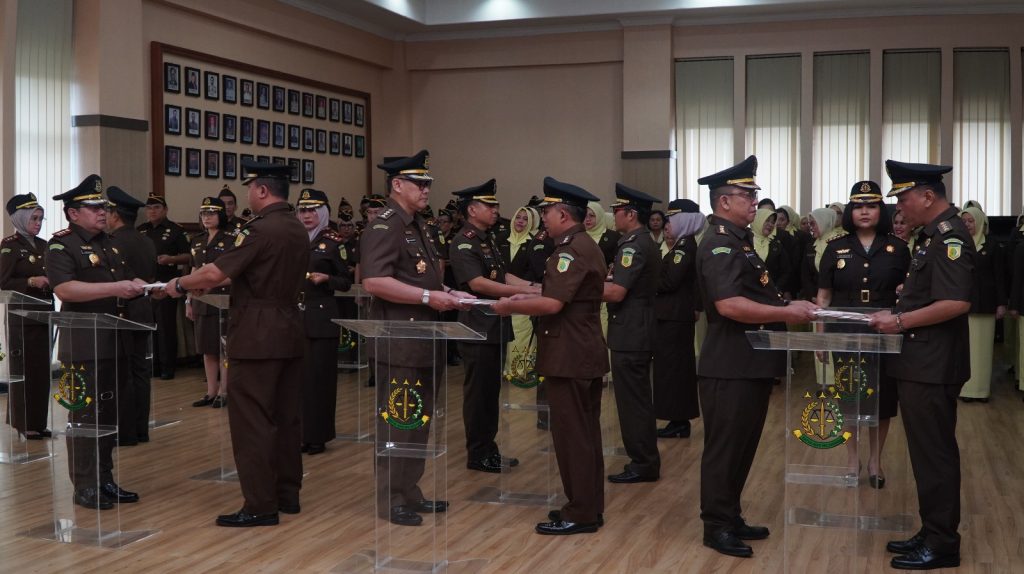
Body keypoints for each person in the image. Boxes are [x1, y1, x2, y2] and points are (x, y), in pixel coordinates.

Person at [163, 160, 309, 527]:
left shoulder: (258, 229)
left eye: (250, 188)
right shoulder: (294, 225)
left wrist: (179, 285)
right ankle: (287, 495)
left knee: (252, 421)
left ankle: (260, 504)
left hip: (257, 333)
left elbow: (216, 271)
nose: (248, 195)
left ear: (262, 190)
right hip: (290, 328)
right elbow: (259, 272)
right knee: (286, 417)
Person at [694, 156, 818, 558]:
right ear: (724, 201)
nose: (754, 203)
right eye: (747, 196)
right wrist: (786, 312)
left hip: (749, 362)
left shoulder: (738, 241)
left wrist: (786, 305)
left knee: (742, 447)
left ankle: (730, 515)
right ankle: (716, 525)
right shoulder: (719, 243)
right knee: (725, 449)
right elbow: (729, 304)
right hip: (730, 364)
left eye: (753, 196)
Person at [868, 160, 974, 570]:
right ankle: (932, 530)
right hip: (921, 362)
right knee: (926, 455)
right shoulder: (932, 236)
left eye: (903, 198)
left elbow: (956, 302)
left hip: (933, 365)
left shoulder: (950, 236)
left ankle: (943, 542)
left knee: (935, 455)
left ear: (928, 196)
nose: (899, 208)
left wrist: (899, 321)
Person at [359, 150, 471, 527]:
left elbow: (421, 276)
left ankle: (409, 490)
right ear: (397, 185)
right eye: (418, 183)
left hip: (424, 339)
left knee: (418, 420)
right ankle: (390, 497)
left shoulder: (417, 224)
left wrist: (449, 292)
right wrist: (427, 297)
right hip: (399, 341)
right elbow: (374, 281)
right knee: (398, 421)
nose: (426, 189)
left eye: (427, 184)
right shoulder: (385, 225)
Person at [493, 176, 608, 535]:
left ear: (563, 214)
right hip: (581, 350)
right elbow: (556, 292)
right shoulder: (584, 244)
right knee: (584, 435)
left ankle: (581, 512)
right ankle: (588, 506)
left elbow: (554, 303)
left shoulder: (569, 250)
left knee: (573, 437)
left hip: (570, 354)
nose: (543, 217)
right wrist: (523, 297)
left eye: (547, 211)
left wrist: (508, 307)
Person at [47, 175, 147, 509]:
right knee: (84, 417)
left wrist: (143, 287)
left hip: (113, 341)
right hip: (84, 346)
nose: (102, 212)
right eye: (93, 207)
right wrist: (116, 288)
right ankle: (85, 485)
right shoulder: (61, 245)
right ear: (73, 213)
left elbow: (120, 280)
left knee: (109, 416)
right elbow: (65, 289)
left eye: (103, 207)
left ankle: (105, 479)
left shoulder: (109, 243)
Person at [816, 181, 910, 488]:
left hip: (885, 332)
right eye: (858, 206)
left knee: (883, 399)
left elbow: (908, 295)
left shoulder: (898, 248)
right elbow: (824, 297)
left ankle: (875, 461)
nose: (865, 212)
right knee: (850, 397)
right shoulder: (835, 248)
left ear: (881, 210)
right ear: (850, 212)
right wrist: (820, 336)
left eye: (871, 206)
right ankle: (852, 458)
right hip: (845, 331)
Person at [448, 179, 538, 473]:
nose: (496, 209)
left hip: (494, 326)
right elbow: (478, 283)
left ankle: (489, 449)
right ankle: (478, 454)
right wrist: (520, 292)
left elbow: (502, 275)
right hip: (477, 328)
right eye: (489, 205)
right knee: (479, 396)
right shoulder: (464, 241)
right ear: (472, 210)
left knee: (490, 393)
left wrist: (533, 287)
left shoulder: (487, 238)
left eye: (496, 205)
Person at [602, 183, 662, 484]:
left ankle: (643, 463)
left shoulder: (632, 245)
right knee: (637, 399)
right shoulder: (642, 241)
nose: (614, 215)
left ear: (630, 214)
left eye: (617, 210)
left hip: (631, 332)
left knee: (632, 402)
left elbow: (616, 292)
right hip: (637, 329)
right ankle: (644, 459)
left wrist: (578, 288)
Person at [295, 188, 353, 454]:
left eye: (312, 210)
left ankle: (318, 435)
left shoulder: (333, 242)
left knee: (319, 380)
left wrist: (327, 278)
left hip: (321, 318)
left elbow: (345, 282)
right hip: (296, 317)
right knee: (298, 381)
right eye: (302, 210)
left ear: (323, 212)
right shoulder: (294, 239)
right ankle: (300, 434)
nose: (307, 215)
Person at [105, 186, 157, 445]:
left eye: (107, 211)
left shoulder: (112, 242)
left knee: (122, 372)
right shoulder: (146, 240)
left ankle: (125, 432)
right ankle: (140, 429)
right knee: (140, 372)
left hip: (121, 311)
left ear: (115, 215)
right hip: (143, 309)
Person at [0, 193, 52, 440]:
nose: (38, 223)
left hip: (43, 313)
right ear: (20, 218)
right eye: (33, 218)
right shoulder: (9, 246)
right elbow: (3, 282)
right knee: (24, 371)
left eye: (41, 218)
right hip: (21, 317)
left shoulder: (44, 245)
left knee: (41, 371)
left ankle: (39, 421)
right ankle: (23, 423)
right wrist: (30, 281)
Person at [653, 199, 703, 438]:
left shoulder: (683, 248)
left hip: (674, 318)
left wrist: (645, 280)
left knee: (674, 371)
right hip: (673, 316)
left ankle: (679, 422)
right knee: (673, 370)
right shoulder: (684, 245)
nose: (667, 224)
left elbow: (669, 281)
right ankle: (677, 420)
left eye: (671, 219)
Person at [186, 197, 233, 409]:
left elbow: (233, 271)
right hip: (202, 300)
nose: (207, 217)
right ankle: (210, 391)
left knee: (224, 348)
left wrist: (209, 284)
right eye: (204, 213)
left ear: (221, 215)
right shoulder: (197, 240)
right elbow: (194, 271)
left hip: (223, 299)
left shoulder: (231, 239)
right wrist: (188, 299)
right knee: (207, 348)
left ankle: (224, 391)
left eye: (211, 213)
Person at [138, 194, 189, 380]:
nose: (152, 211)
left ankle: (168, 367)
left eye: (157, 207)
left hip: (167, 285)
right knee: (147, 326)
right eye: (149, 208)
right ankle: (153, 366)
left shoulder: (176, 230)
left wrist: (171, 259)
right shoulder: (141, 230)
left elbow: (189, 256)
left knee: (166, 327)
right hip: (145, 285)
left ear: (165, 210)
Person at [958, 204, 1004, 402]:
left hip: (986, 305)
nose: (968, 224)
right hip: (962, 305)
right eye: (964, 221)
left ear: (979, 222)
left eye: (971, 221)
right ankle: (966, 390)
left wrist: (1001, 303)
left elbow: (1000, 276)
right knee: (965, 350)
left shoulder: (992, 245)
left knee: (983, 351)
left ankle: (981, 391)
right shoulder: (958, 244)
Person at [800, 207, 844, 302]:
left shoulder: (841, 243)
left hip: (838, 299)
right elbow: (806, 275)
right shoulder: (810, 246)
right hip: (815, 299)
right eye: (809, 224)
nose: (810, 227)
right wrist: (812, 296)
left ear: (823, 222)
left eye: (813, 223)